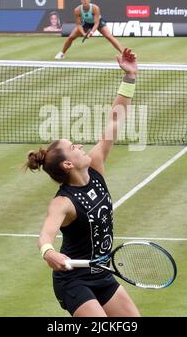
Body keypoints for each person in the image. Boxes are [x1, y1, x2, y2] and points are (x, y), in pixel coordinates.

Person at [25, 48, 140, 317]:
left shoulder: (96, 166)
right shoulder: (63, 202)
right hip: (73, 280)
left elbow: (115, 119)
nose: (78, 144)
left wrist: (130, 77)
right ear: (67, 164)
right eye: (72, 146)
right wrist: (48, 252)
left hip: (101, 272)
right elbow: (46, 234)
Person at [55, 0, 124, 59]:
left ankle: (123, 53)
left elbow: (96, 23)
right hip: (86, 23)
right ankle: (62, 53)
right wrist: (83, 33)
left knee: (109, 36)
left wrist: (91, 32)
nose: (85, 0)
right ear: (81, 0)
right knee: (71, 37)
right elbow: (78, 24)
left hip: (98, 22)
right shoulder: (77, 10)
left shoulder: (95, 8)